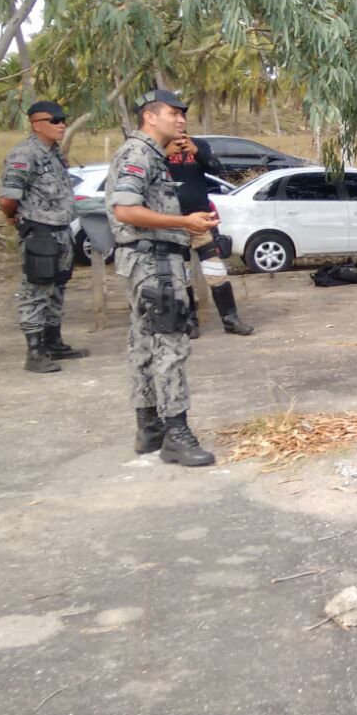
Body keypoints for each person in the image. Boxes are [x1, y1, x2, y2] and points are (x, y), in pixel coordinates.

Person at [107, 89, 218, 467]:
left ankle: (149, 427)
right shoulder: (138, 153)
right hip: (154, 262)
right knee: (171, 344)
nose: (181, 119)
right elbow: (125, 210)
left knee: (143, 342)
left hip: (145, 260)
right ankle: (176, 433)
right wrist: (184, 222)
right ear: (150, 117)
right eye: (173, 113)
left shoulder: (151, 154)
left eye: (183, 113)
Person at [0, 100, 86, 372]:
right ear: (36, 124)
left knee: (57, 288)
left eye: (63, 120)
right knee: (35, 291)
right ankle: (35, 352)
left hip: (61, 230)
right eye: (54, 120)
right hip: (39, 233)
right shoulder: (24, 154)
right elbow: (7, 198)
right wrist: (13, 215)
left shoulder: (55, 152)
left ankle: (53, 342)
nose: (62, 125)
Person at [165, 132, 254, 336]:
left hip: (201, 218)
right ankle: (189, 322)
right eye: (174, 118)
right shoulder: (155, 149)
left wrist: (197, 152)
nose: (179, 124)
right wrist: (164, 153)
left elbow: (216, 168)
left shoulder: (198, 145)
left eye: (181, 119)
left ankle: (230, 320)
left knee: (216, 270)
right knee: (180, 274)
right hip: (171, 221)